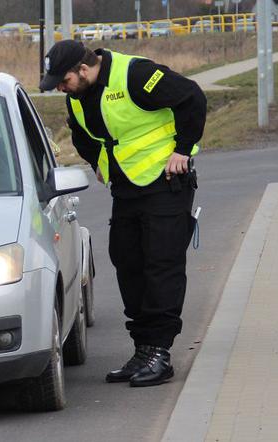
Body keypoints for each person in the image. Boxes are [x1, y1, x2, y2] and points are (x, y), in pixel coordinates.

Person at [39, 40, 206, 387]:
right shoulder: (77, 95)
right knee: (127, 261)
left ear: (83, 70)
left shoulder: (135, 74)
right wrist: (97, 165)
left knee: (161, 263)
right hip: (126, 187)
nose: (60, 87)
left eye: (63, 79)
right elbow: (82, 134)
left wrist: (183, 150)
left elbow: (192, 98)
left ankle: (159, 351)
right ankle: (143, 349)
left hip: (165, 181)